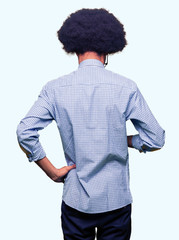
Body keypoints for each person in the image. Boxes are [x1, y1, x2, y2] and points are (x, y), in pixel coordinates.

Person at [16, 8, 165, 240]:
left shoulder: (54, 89)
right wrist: (123, 139)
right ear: (109, 47)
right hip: (116, 201)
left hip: (76, 199)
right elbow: (156, 138)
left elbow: (25, 131)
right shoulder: (126, 87)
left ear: (72, 46)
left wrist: (53, 172)